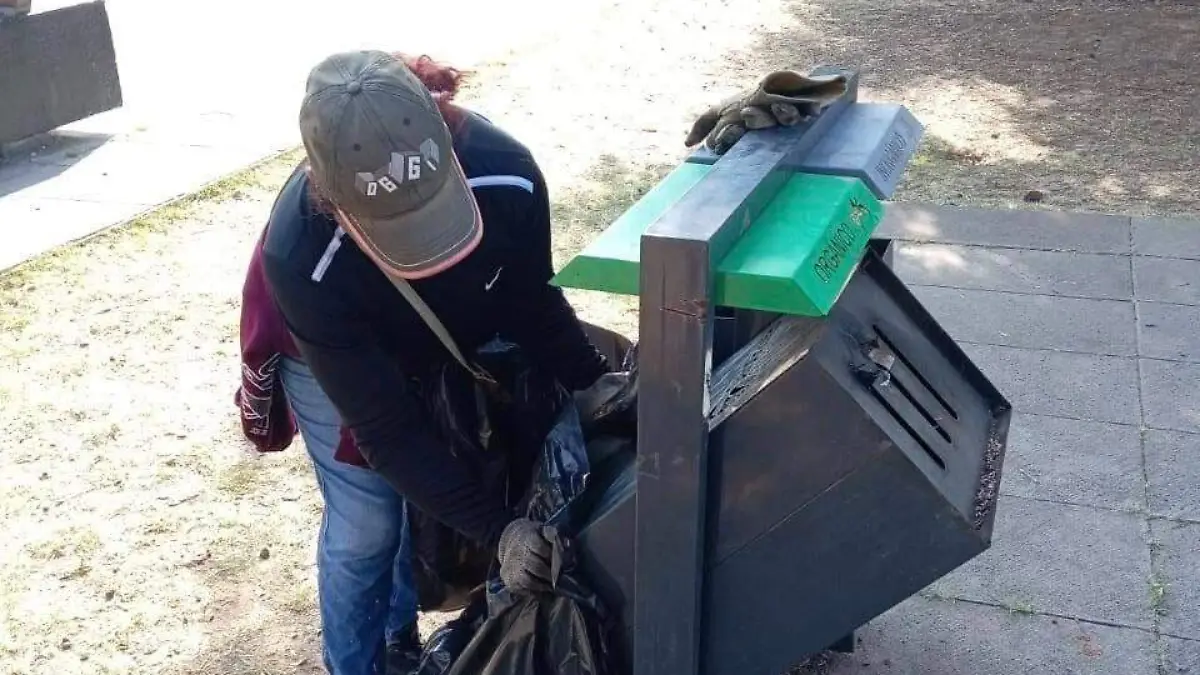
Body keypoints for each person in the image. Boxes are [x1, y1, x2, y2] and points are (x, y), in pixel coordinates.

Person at [237, 48, 844, 675]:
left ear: (445, 136)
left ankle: (398, 635)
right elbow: (386, 430)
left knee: (422, 489)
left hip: (449, 325)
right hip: (330, 350)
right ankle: (364, 659)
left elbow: (529, 298)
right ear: (332, 199)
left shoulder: (506, 173)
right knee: (368, 519)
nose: (427, 248)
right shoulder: (303, 257)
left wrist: (592, 383)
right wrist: (499, 530)